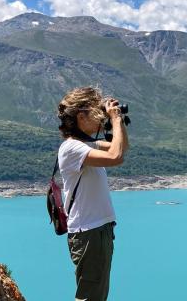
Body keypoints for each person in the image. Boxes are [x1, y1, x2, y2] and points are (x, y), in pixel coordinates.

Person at [56, 86, 129, 301]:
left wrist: (119, 122)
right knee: (91, 297)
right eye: (96, 112)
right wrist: (114, 120)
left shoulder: (85, 144)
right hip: (87, 231)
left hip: (99, 228)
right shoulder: (71, 148)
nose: (101, 117)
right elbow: (115, 155)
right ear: (81, 116)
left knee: (98, 294)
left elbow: (122, 151)